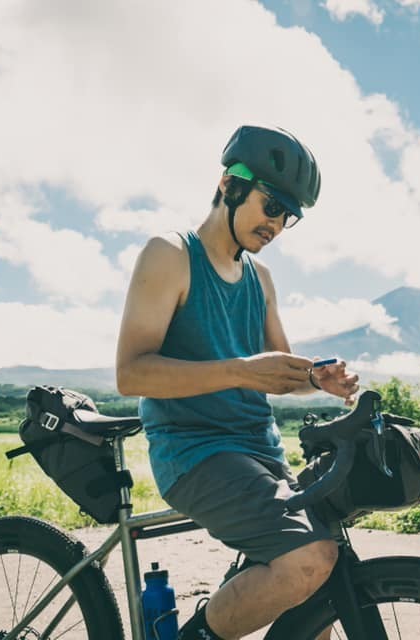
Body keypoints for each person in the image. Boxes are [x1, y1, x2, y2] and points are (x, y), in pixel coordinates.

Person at [116, 124, 359, 640]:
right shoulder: (171, 255)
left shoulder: (260, 280)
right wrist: (239, 370)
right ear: (230, 185)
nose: (278, 224)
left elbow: (280, 375)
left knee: (320, 585)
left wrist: (317, 379)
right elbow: (130, 373)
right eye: (272, 206)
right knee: (310, 558)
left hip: (260, 452)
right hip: (195, 453)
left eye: (289, 216)